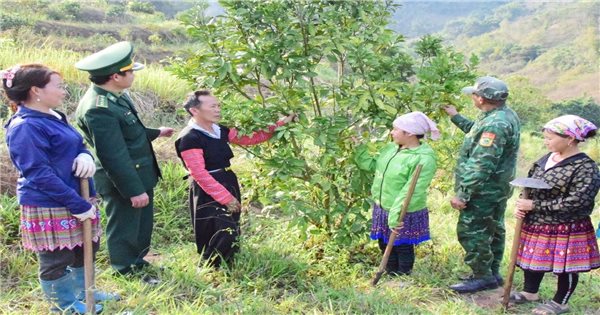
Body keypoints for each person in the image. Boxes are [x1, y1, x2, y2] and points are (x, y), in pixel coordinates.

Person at [2, 64, 118, 313]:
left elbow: (76, 143)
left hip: (76, 196)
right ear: (36, 91)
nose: (64, 92)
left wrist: (84, 154)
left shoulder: (54, 116)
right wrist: (78, 204)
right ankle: (65, 305)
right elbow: (38, 173)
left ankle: (84, 292)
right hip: (51, 202)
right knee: (56, 258)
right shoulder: (25, 126)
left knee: (83, 248)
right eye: (59, 86)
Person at [74, 41, 174, 278]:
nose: (133, 75)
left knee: (140, 226)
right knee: (125, 227)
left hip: (139, 174)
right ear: (115, 76)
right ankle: (125, 269)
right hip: (124, 179)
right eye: (129, 72)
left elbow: (130, 131)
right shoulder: (98, 108)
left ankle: (137, 262)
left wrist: (156, 132)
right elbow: (113, 154)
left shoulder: (115, 96)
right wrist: (133, 190)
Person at [174, 90, 296, 267]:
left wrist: (280, 124)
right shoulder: (189, 137)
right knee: (218, 227)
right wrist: (225, 197)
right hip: (208, 186)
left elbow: (250, 138)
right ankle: (211, 268)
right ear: (195, 110)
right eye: (212, 106)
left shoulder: (219, 130)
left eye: (218, 106)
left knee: (231, 224)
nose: (217, 110)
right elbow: (199, 173)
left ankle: (227, 265)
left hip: (226, 179)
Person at [509, 115, 599, 314]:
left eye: (550, 138)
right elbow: (529, 185)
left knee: (566, 266)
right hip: (537, 222)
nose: (546, 141)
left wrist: (536, 205)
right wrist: (522, 205)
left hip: (567, 225)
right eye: (545, 137)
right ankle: (530, 292)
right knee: (533, 259)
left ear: (570, 139)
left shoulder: (585, 167)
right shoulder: (545, 158)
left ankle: (560, 302)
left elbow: (578, 201)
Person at [443, 76, 521, 293]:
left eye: (474, 94)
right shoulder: (500, 115)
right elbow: (476, 133)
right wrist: (456, 117)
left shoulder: (495, 124)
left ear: (481, 98)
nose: (472, 97)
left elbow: (482, 163)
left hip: (483, 189)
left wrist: (464, 193)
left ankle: (482, 276)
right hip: (497, 188)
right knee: (494, 229)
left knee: (472, 231)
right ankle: (492, 273)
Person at [355, 112, 439, 276]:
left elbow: (411, 191)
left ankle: (403, 276)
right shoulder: (392, 149)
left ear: (409, 133)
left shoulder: (423, 159)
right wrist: (360, 149)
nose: (392, 132)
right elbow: (373, 166)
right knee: (384, 242)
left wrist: (396, 214)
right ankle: (390, 272)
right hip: (384, 204)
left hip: (402, 209)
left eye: (396, 129)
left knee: (402, 244)